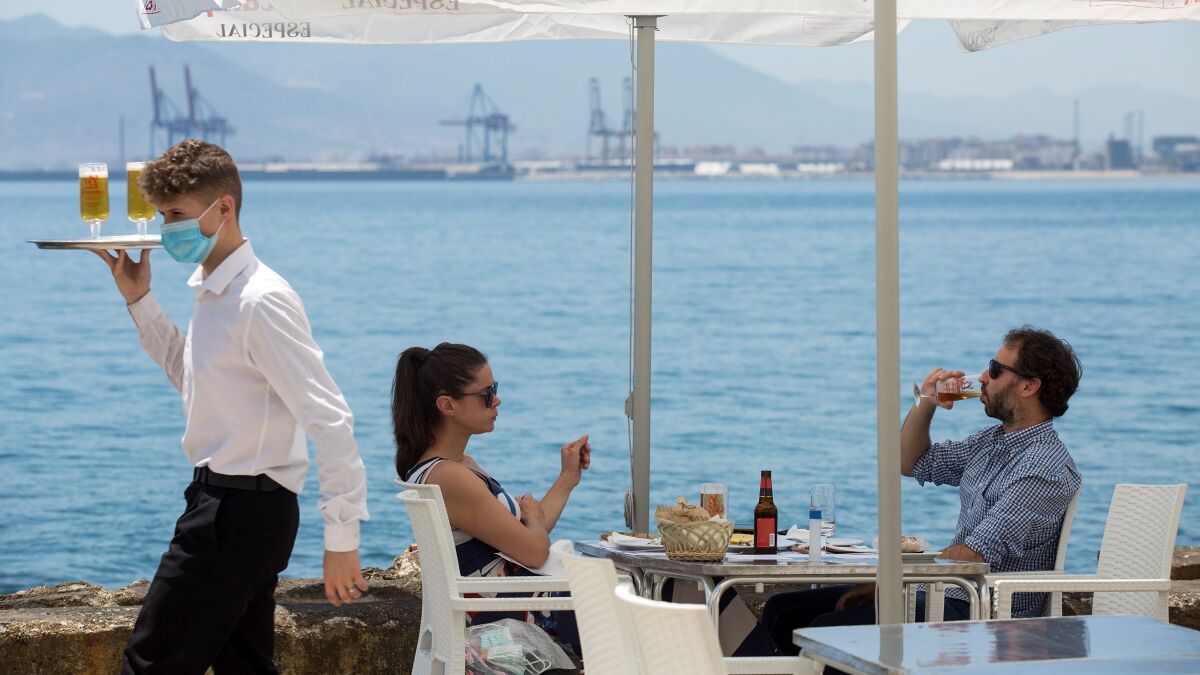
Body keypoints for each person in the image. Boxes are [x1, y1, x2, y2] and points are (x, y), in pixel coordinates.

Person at [92, 139, 369, 674]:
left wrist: (342, 537)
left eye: (176, 214)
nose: (166, 228)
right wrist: (140, 300)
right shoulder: (214, 291)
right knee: (244, 666)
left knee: (151, 663)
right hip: (225, 503)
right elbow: (192, 379)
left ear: (224, 208)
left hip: (239, 510)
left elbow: (328, 416)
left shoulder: (259, 299)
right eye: (162, 215)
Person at [759, 325, 1082, 653]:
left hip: (983, 615)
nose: (983, 377)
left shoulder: (1042, 469)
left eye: (995, 369)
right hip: (947, 594)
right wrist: (927, 401)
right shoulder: (993, 442)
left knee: (824, 630)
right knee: (783, 611)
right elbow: (907, 461)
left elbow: (974, 555)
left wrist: (894, 581)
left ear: (1028, 386)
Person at [393, 343, 589, 656]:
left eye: (495, 389)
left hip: (510, 603)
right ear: (447, 405)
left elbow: (523, 540)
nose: (497, 400)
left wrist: (567, 479)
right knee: (625, 608)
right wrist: (532, 521)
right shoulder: (449, 476)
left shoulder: (452, 466)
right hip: (504, 621)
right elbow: (535, 550)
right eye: (487, 394)